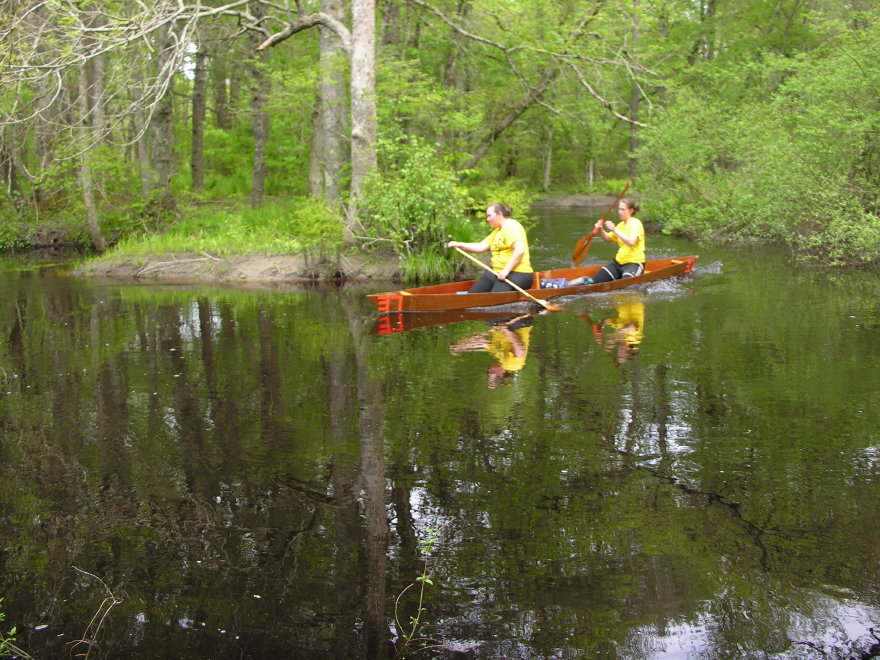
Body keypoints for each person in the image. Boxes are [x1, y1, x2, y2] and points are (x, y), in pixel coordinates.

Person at [446, 203, 533, 293]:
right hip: (497, 272)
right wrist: (459, 244)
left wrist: (506, 271)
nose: (487, 219)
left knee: (494, 298)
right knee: (473, 294)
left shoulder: (511, 226)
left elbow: (520, 249)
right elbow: (481, 247)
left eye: (489, 216)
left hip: (519, 273)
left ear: (499, 214)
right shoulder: (497, 231)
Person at [571, 197, 645, 285]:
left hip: (634, 263)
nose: (619, 212)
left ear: (631, 211)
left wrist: (614, 230)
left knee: (626, 285)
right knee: (594, 282)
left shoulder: (635, 223)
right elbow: (608, 239)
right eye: (619, 209)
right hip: (618, 262)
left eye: (623, 209)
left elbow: (632, 242)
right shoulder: (620, 225)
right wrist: (600, 229)